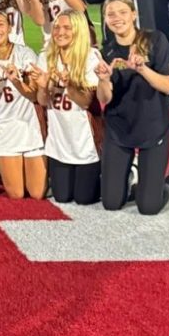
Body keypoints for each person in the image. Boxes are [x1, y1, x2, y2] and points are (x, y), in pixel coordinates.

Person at [97, 0, 169, 214]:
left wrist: (142, 69)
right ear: (105, 19)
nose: (117, 18)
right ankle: (134, 171)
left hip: (153, 127)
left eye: (122, 12)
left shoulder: (155, 40)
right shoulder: (106, 51)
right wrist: (103, 80)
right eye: (110, 14)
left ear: (133, 14)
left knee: (148, 207)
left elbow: (167, 86)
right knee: (111, 203)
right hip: (119, 129)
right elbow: (104, 99)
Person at [33, 11, 105, 205]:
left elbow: (85, 102)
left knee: (84, 198)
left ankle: (123, 174)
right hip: (59, 139)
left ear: (78, 31)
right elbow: (42, 101)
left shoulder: (90, 57)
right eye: (56, 27)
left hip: (85, 138)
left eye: (67, 28)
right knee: (62, 197)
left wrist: (69, 84)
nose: (60, 32)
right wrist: (42, 86)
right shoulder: (47, 55)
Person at [0, 10, 45, 199]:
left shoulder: (25, 54)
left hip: (30, 127)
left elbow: (34, 96)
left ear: (9, 28)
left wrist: (17, 80)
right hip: (5, 129)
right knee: (16, 194)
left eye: (0, 24)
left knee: (37, 193)